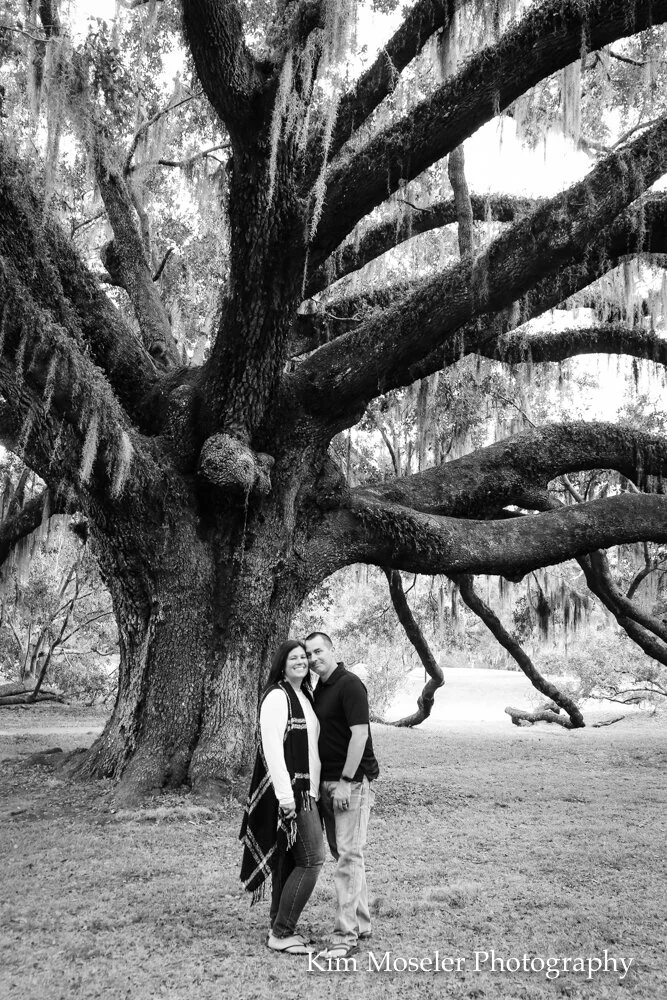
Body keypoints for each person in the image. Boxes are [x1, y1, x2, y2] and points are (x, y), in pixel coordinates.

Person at [240, 640, 324, 955]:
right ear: (282, 664)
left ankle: (278, 923)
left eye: (304, 657)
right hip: (294, 795)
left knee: (289, 861)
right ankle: (281, 932)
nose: (301, 661)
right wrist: (286, 798)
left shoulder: (304, 696)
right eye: (293, 658)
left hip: (309, 791)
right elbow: (273, 749)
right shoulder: (277, 696)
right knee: (313, 858)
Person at [305, 631, 380, 959]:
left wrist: (347, 781)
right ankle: (361, 923)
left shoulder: (350, 685)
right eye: (308, 654)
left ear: (332, 649)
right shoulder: (320, 688)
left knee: (348, 855)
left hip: (350, 782)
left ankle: (344, 937)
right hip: (326, 783)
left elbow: (359, 735)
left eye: (318, 651)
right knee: (345, 854)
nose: (313, 659)